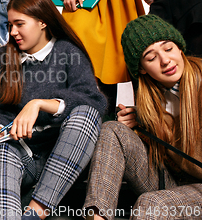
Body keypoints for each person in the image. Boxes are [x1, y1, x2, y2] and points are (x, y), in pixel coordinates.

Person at [0, 0, 107, 220]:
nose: (13, 32)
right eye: (10, 25)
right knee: (0, 150)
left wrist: (39, 104)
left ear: (42, 22)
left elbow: (94, 101)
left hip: (67, 159)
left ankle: (36, 211)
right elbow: (1, 110)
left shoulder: (68, 52)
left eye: (19, 24)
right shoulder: (3, 57)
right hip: (25, 155)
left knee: (86, 113)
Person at [84, 14, 202, 220]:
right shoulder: (149, 102)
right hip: (173, 182)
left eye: (168, 48)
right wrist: (141, 124)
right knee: (112, 128)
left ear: (180, 48)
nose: (165, 60)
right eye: (151, 57)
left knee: (152, 203)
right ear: (141, 69)